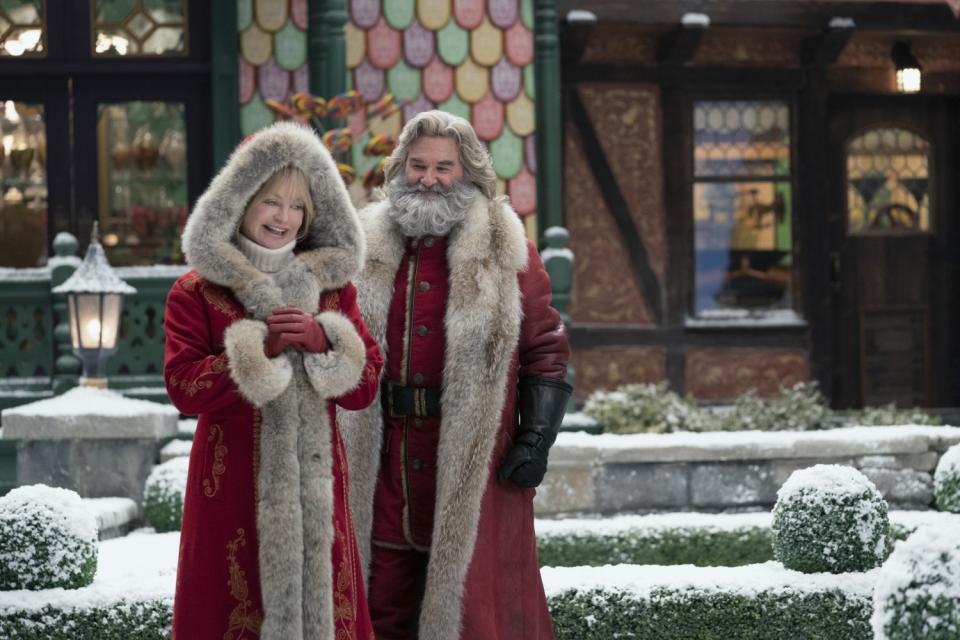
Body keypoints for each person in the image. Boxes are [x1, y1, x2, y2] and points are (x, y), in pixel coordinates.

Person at [339, 110, 572, 639]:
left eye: (444, 166)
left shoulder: (507, 249)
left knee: (474, 615)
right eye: (418, 165)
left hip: (476, 467)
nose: (429, 178)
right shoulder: (362, 246)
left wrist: (536, 439)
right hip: (382, 468)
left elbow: (546, 350)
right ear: (400, 167)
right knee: (379, 608)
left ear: (468, 173)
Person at [164, 121, 383, 639]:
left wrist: (322, 341)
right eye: (270, 202)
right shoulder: (196, 292)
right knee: (232, 603)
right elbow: (182, 386)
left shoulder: (334, 291)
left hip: (316, 487)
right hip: (233, 485)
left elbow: (366, 384)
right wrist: (254, 350)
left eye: (298, 206)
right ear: (240, 201)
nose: (284, 217)